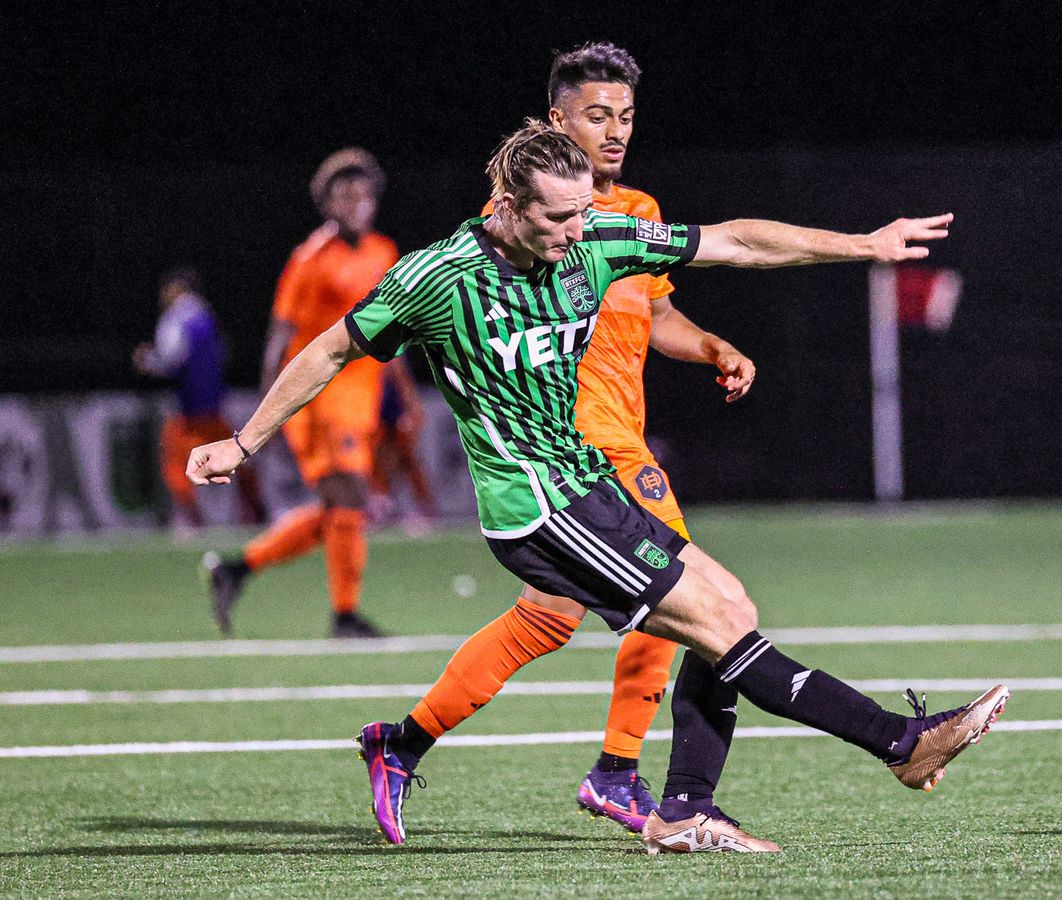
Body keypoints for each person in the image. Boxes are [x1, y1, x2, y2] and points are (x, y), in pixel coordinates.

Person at [187, 119, 1006, 854]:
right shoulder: (436, 278)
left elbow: (735, 242)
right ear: (506, 204)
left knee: (733, 609)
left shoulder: (596, 241)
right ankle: (900, 743)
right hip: (534, 508)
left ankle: (683, 807)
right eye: (557, 217)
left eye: (583, 214)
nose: (577, 232)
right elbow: (328, 348)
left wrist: (864, 245)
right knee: (717, 624)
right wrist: (244, 441)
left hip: (589, 485)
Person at [431, 42, 757, 833]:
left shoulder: (638, 211)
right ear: (556, 121)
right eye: (597, 116)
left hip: (615, 436)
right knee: (689, 595)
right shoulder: (517, 220)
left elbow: (656, 313)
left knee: (547, 616)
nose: (615, 132)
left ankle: (403, 743)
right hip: (575, 448)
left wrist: (712, 344)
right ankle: (618, 771)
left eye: (627, 117)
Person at [202, 148, 398, 638]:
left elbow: (397, 331)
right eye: (343, 194)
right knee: (349, 498)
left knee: (341, 511)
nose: (355, 202)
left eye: (363, 193)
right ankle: (345, 616)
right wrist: (266, 415)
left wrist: (408, 398)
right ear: (326, 204)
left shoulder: (384, 253)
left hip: (362, 396)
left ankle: (238, 569)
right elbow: (278, 335)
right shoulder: (309, 260)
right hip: (321, 399)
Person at [133, 266, 266, 535]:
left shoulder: (176, 318)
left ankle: (189, 520)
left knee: (176, 463)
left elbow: (170, 359)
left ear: (177, 289)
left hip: (189, 413)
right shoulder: (206, 315)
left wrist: (147, 360)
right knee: (238, 457)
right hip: (214, 406)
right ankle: (255, 511)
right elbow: (223, 354)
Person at [370, 359, 438, 534]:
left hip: (395, 406)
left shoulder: (391, 354)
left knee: (408, 458)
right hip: (377, 404)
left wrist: (411, 407)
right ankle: (382, 505)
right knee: (380, 458)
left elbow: (401, 377)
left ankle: (424, 508)